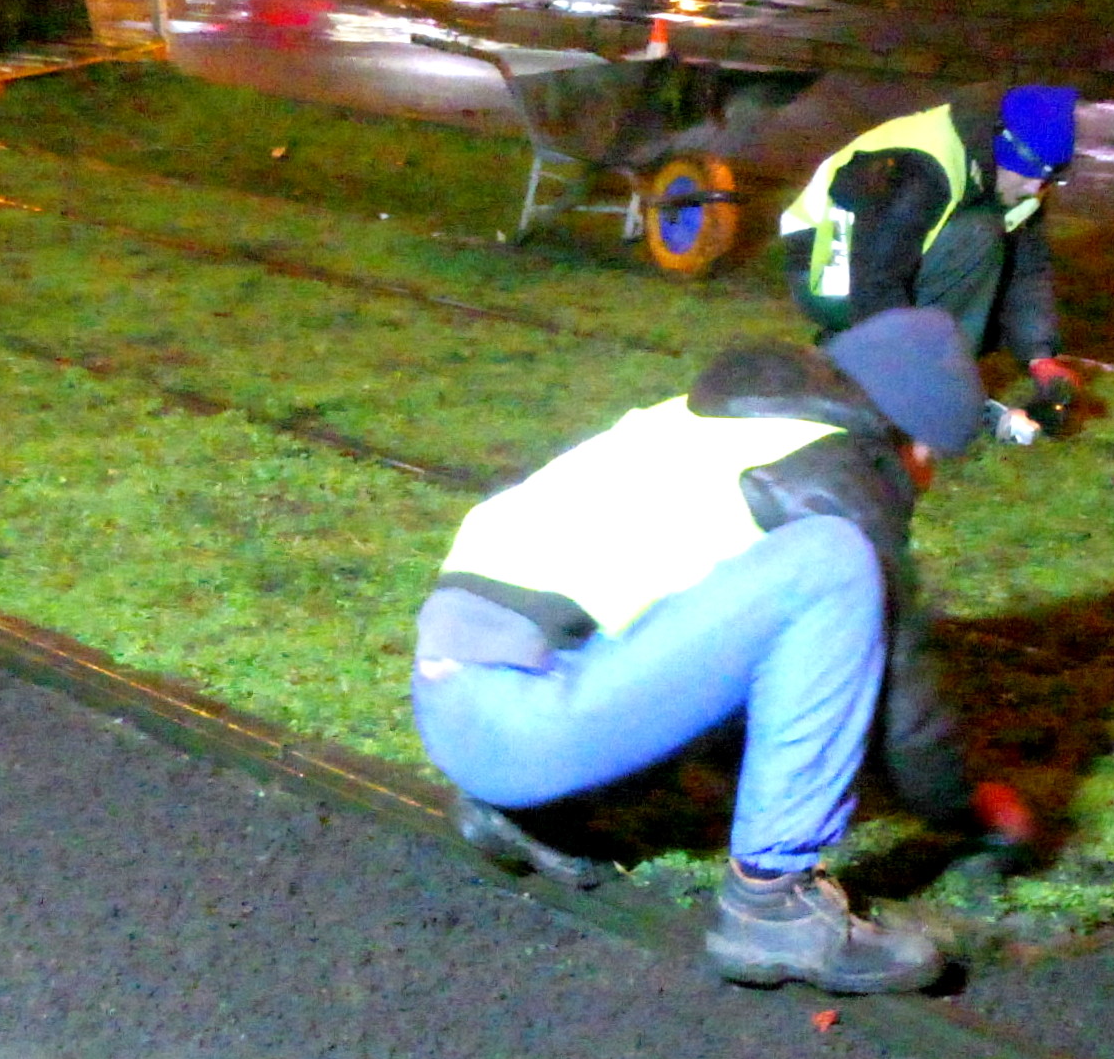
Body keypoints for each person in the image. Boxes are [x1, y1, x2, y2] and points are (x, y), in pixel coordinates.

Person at [408, 307, 1031, 996]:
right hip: (527, 722)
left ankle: (528, 813)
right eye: (932, 456)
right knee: (833, 566)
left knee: (745, 618)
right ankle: (772, 901)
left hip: (458, 697)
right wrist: (969, 808)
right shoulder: (839, 474)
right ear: (907, 434)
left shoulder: (714, 418)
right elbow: (899, 702)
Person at [770, 86, 1084, 441]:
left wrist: (1040, 355)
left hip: (875, 267)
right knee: (978, 237)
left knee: (986, 252)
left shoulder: (1014, 178)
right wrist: (919, 382)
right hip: (826, 267)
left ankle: (857, 356)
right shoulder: (921, 169)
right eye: (1029, 173)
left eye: (1051, 175)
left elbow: (1027, 269)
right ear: (1002, 150)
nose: (1035, 189)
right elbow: (875, 281)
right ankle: (883, 374)